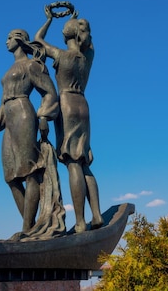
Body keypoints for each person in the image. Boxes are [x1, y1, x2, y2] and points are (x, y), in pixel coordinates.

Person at [0, 29, 60, 234]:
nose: (6, 41)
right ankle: (33, 225)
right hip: (9, 117)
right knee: (11, 177)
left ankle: (26, 228)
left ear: (19, 39)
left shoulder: (32, 65)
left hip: (24, 114)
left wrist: (44, 116)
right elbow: (1, 107)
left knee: (29, 171)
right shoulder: (10, 69)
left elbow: (50, 93)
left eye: (9, 37)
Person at [35, 12, 104, 233]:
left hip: (66, 104)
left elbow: (37, 41)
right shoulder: (87, 58)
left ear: (66, 36)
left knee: (73, 161)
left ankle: (81, 222)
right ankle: (96, 214)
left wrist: (49, 19)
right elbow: (90, 45)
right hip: (83, 105)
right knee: (84, 161)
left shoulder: (60, 55)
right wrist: (77, 18)